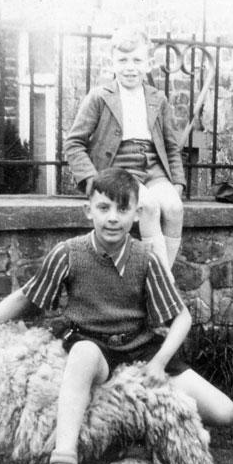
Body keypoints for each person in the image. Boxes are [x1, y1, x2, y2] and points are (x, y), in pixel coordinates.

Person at [0, 168, 233, 464]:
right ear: (89, 211)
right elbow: (26, 298)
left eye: (122, 209)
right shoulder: (68, 253)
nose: (112, 218)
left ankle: (139, 454)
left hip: (139, 348)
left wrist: (159, 363)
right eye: (103, 208)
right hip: (92, 344)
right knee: (83, 354)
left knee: (225, 412)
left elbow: (181, 317)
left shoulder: (145, 258)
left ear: (136, 214)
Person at [64, 26, 185, 277]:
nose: (130, 67)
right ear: (112, 63)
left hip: (153, 167)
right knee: (148, 207)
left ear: (149, 64)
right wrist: (91, 180)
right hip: (119, 167)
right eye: (123, 60)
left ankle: (162, 278)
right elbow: (73, 143)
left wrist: (179, 183)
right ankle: (164, 281)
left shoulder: (157, 99)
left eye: (137, 60)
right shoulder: (99, 96)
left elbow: (172, 146)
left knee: (174, 208)